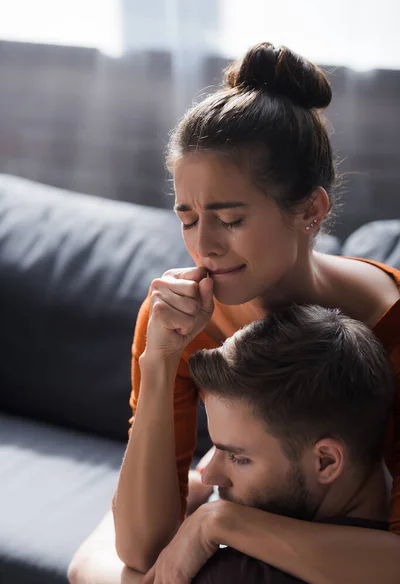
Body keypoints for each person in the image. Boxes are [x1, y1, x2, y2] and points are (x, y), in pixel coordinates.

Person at [68, 42, 400, 584]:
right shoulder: (179, 315)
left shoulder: (391, 324)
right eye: (188, 217)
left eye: (230, 218)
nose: (204, 246)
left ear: (311, 211)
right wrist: (159, 362)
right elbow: (142, 547)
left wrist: (219, 521)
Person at [148, 304, 395, 584]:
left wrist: (107, 533)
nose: (209, 474)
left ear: (326, 461)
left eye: (238, 458)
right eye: (216, 448)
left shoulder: (238, 573)